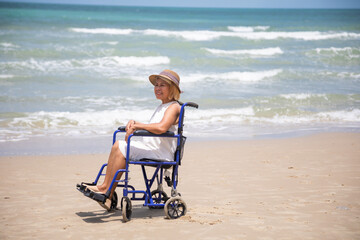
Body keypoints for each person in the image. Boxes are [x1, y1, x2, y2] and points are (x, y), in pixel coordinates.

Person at [84, 69, 182, 210]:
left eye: (162, 85)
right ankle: (105, 188)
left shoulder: (174, 107)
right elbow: (154, 127)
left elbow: (161, 128)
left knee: (121, 146)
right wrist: (135, 123)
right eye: (156, 85)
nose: (157, 88)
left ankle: (107, 191)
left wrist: (137, 126)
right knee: (119, 145)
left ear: (172, 88)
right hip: (153, 148)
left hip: (161, 153)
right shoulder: (162, 106)